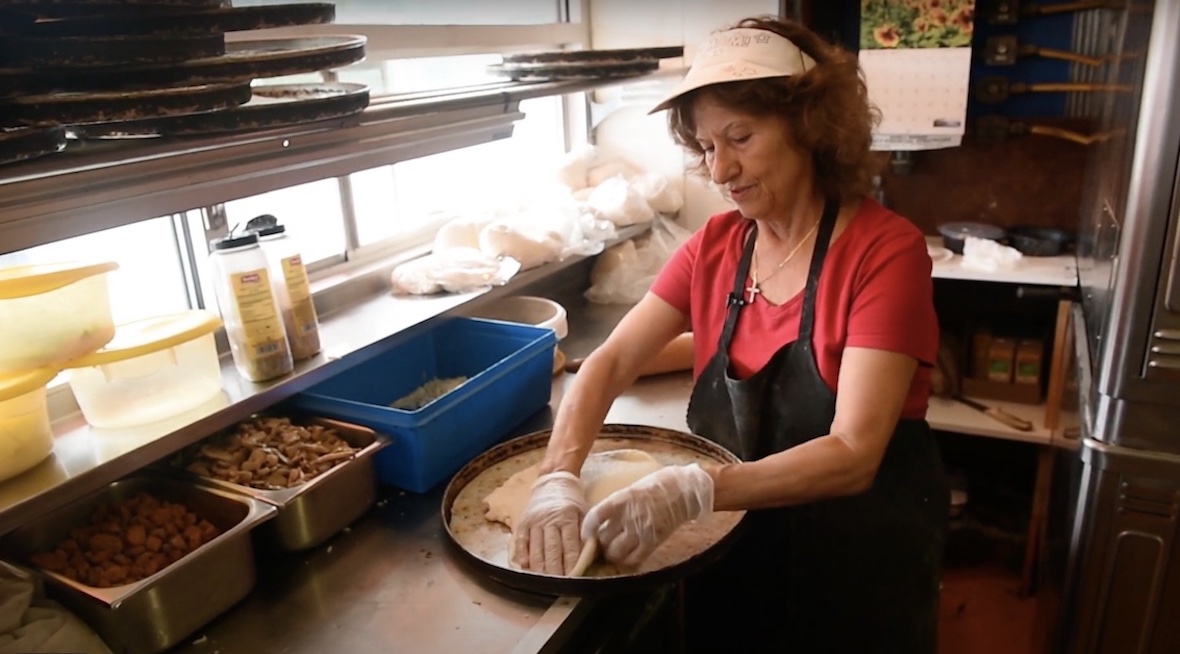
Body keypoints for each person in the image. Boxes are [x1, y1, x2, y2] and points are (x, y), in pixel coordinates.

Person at [512, 14, 949, 653]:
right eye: (708, 147)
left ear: (809, 126)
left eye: (739, 137)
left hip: (859, 554)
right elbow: (610, 364)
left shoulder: (885, 253)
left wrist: (693, 488)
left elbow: (854, 452)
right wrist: (558, 478)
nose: (720, 171)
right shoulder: (716, 247)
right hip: (739, 536)